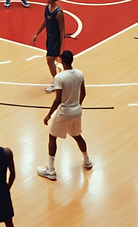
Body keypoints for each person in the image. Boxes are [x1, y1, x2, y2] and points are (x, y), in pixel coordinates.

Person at [37, 50, 91, 181]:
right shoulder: (79, 73)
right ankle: (87, 161)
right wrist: (78, 105)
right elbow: (83, 93)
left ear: (61, 60)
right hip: (77, 109)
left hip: (65, 111)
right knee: (77, 136)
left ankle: (50, 170)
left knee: (52, 137)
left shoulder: (59, 77)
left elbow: (58, 99)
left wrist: (48, 115)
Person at [32, 0, 65, 94]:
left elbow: (62, 30)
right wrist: (37, 33)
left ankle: (56, 82)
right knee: (53, 59)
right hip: (49, 37)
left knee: (49, 59)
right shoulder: (47, 8)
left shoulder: (59, 13)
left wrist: (62, 46)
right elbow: (45, 22)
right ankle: (64, 76)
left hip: (55, 40)